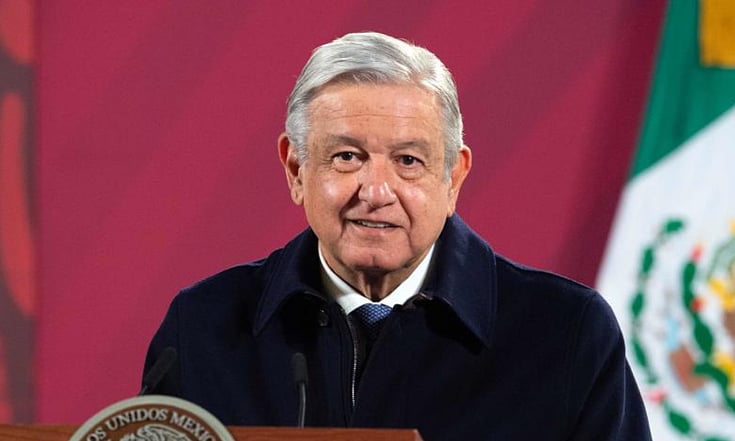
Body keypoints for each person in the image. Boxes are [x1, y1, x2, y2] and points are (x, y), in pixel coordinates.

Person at [144, 31, 650, 440]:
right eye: (347, 157)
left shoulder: (565, 332)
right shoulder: (204, 326)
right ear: (296, 169)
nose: (377, 191)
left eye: (409, 161)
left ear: (453, 179)